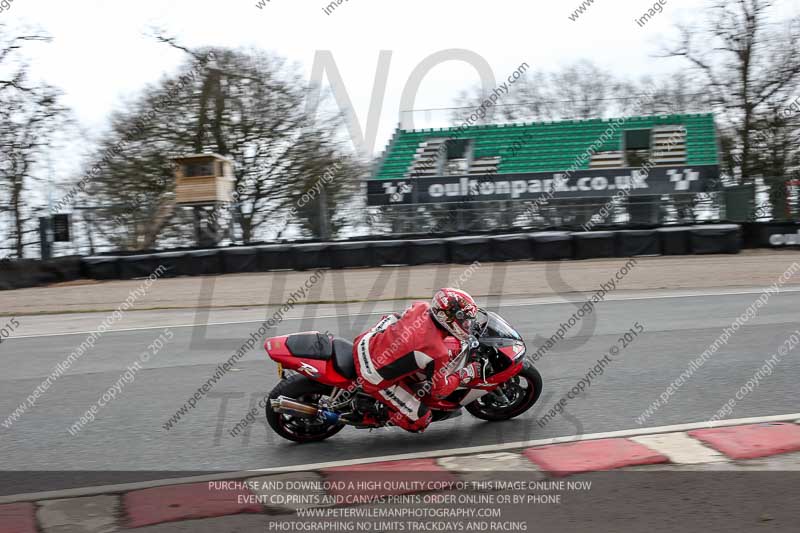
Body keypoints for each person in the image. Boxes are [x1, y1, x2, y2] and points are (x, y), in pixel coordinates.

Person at [352, 288, 483, 433]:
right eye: (464, 321)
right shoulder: (438, 352)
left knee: (393, 319)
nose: (467, 325)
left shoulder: (420, 307)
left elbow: (396, 320)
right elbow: (438, 392)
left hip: (364, 342)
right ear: (448, 317)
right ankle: (375, 412)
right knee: (422, 420)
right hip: (371, 375)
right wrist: (464, 374)